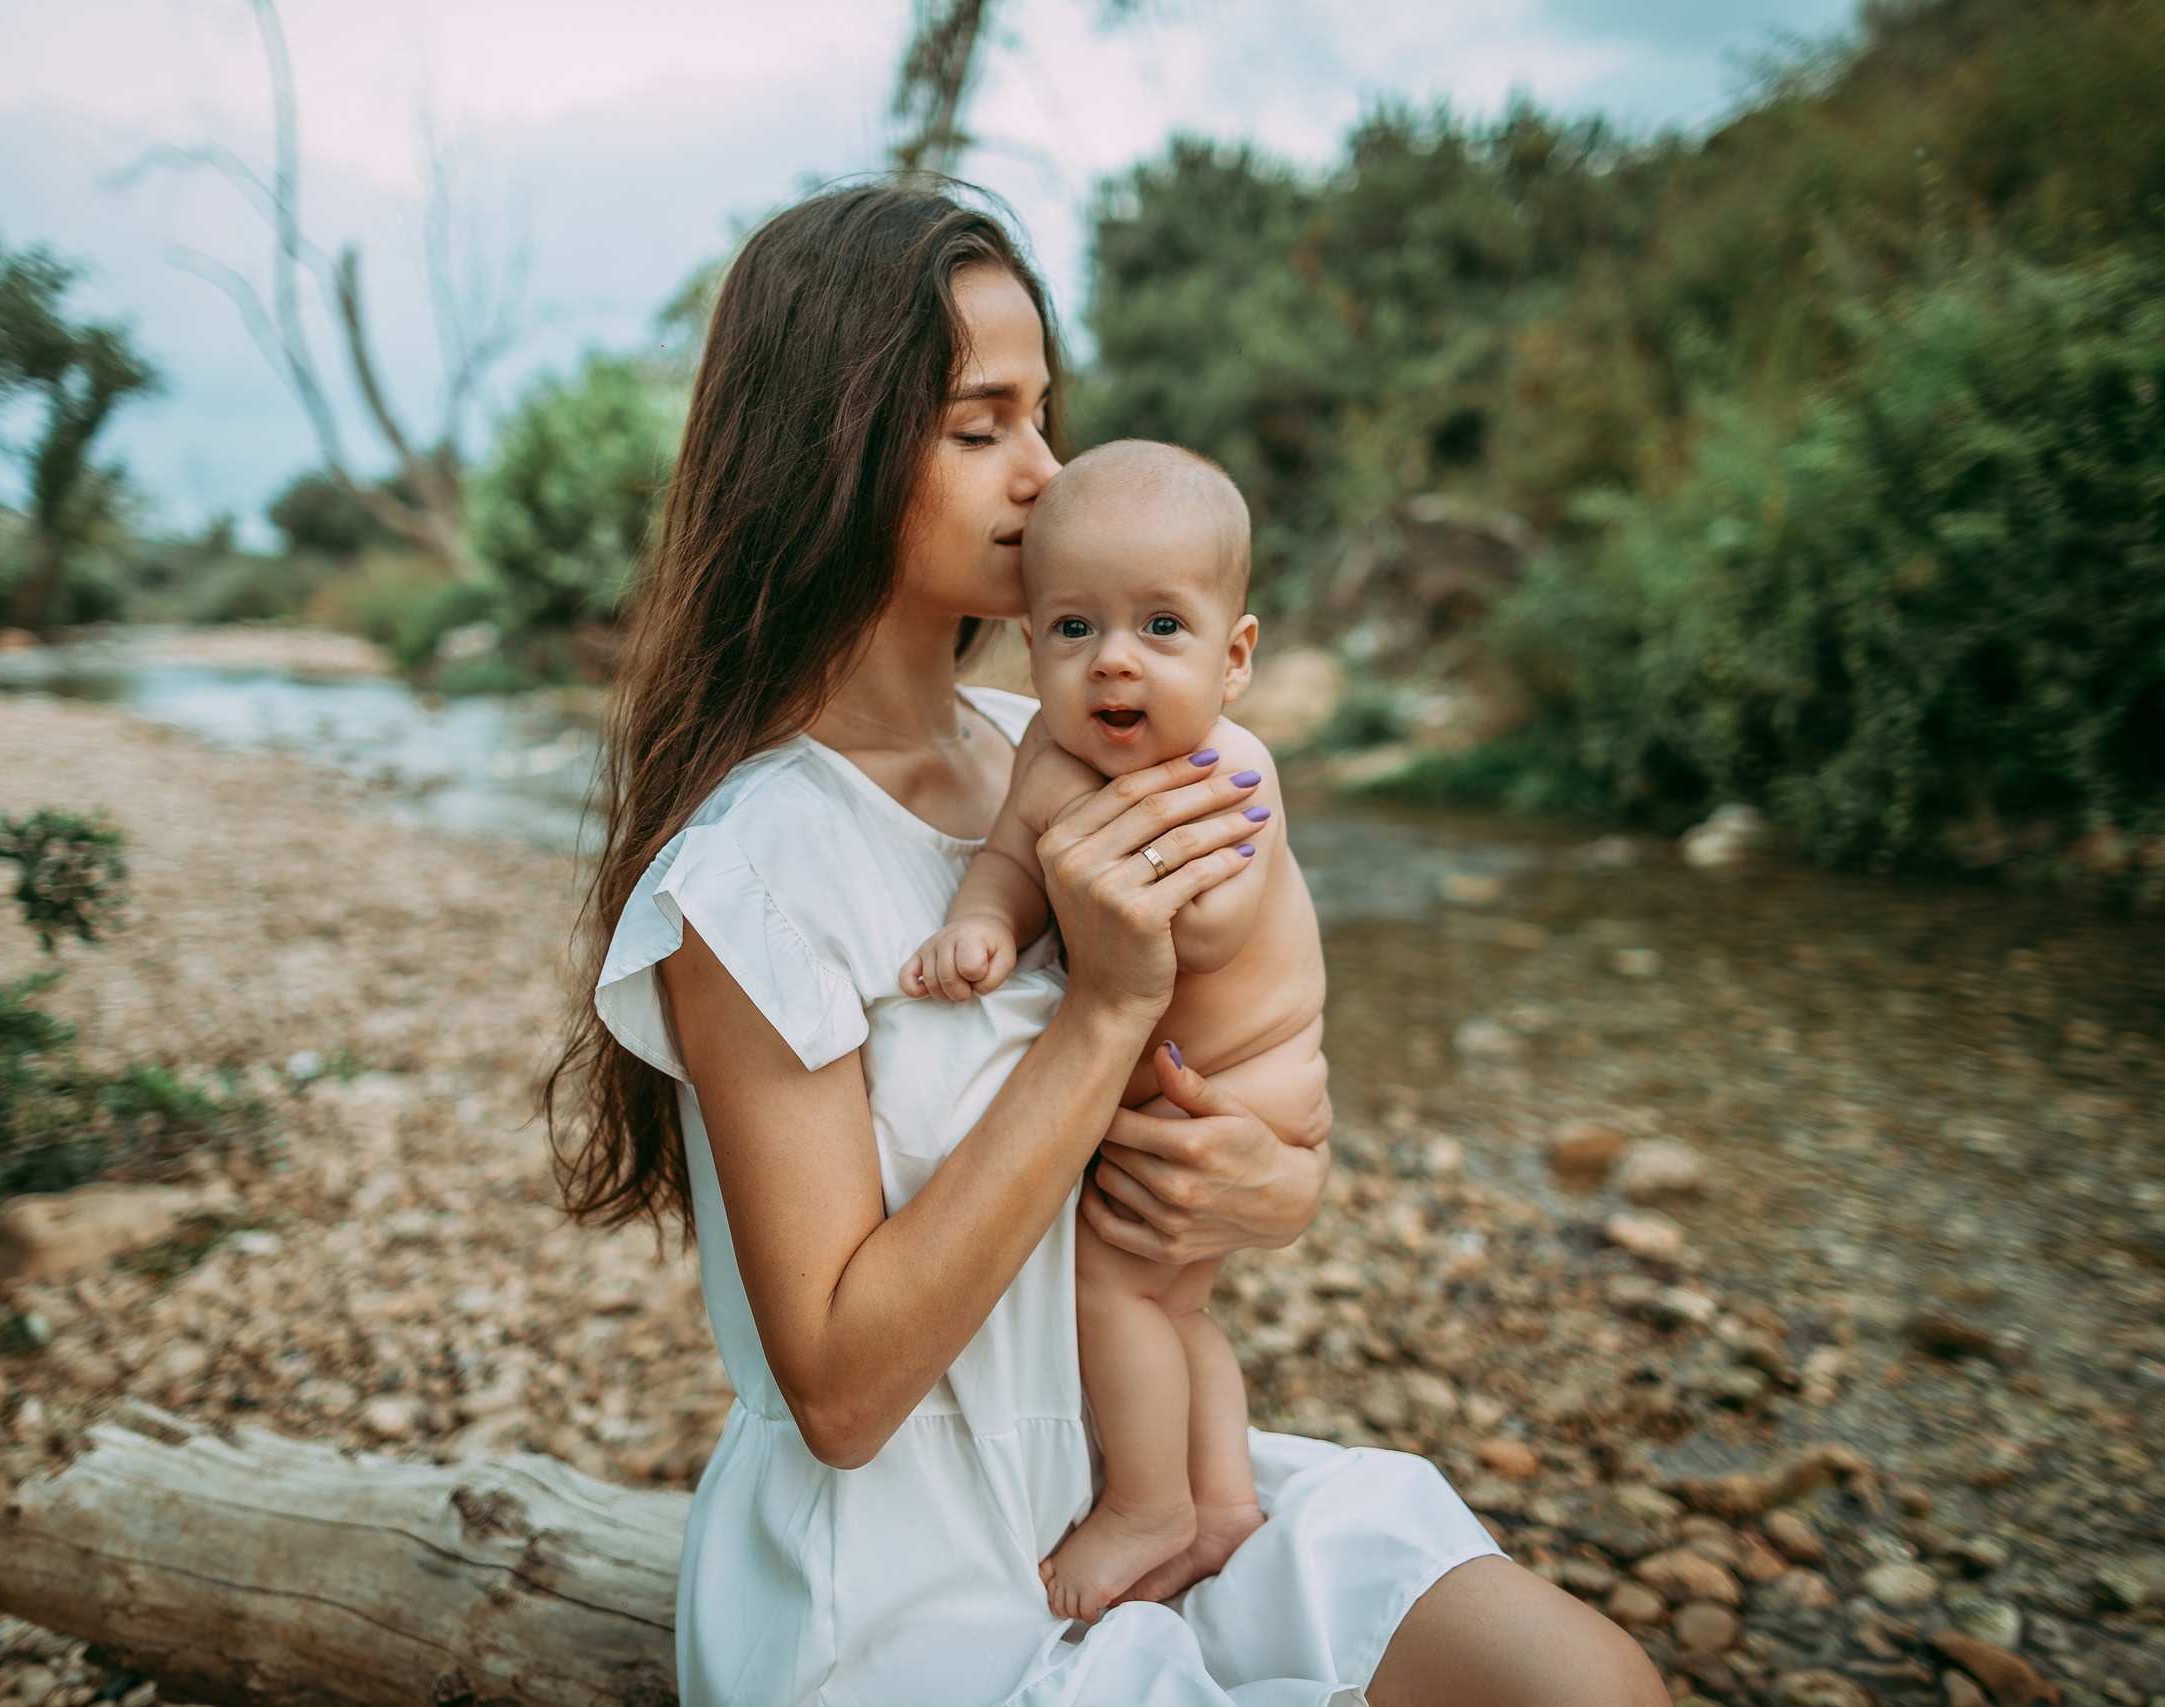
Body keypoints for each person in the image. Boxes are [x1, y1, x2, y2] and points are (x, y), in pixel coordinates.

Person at [552, 181, 1665, 1707]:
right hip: (906, 1579)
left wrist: (1274, 1180)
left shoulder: (1068, 743)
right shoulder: (757, 867)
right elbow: (841, 1387)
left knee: (1580, 1683)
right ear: (836, 452)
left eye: (1047, 415)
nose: (1046, 471)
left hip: (1130, 1455)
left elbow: (1250, 1028)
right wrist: (1100, 1010)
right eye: (982, 424)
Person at [900, 439, 1324, 1621]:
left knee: (1113, 1291)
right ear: (1030, 644)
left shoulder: (1227, 770)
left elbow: (1211, 929)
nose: (1113, 664)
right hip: (1173, 1095)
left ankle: (1146, 1506)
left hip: (1239, 1091)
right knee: (1177, 1307)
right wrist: (983, 927)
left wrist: (1102, 865)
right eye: (1074, 630)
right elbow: (1007, 865)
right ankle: (1226, 1505)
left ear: (1234, 658)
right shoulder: (1046, 751)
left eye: (1161, 629)